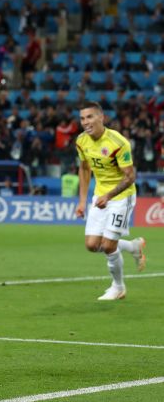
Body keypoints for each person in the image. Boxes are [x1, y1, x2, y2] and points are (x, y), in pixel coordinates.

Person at [74, 101, 146, 301]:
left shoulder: (118, 142)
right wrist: (82, 201)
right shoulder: (81, 141)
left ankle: (118, 287)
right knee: (91, 244)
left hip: (122, 197)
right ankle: (133, 247)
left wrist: (109, 195)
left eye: (89, 117)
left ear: (101, 118)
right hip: (100, 196)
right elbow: (85, 168)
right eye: (82, 118)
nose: (85, 122)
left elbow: (130, 177)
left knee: (108, 246)